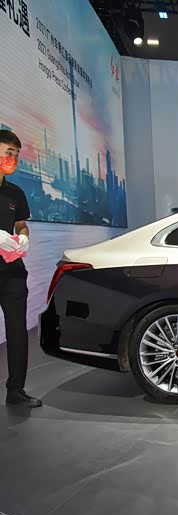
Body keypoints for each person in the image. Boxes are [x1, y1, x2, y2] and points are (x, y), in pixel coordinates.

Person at [0, 130, 39, 408]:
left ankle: (16, 391)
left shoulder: (15, 193)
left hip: (12, 270)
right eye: (7, 152)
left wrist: (23, 237)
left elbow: (22, 224)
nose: (12, 159)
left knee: (17, 331)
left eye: (15, 154)